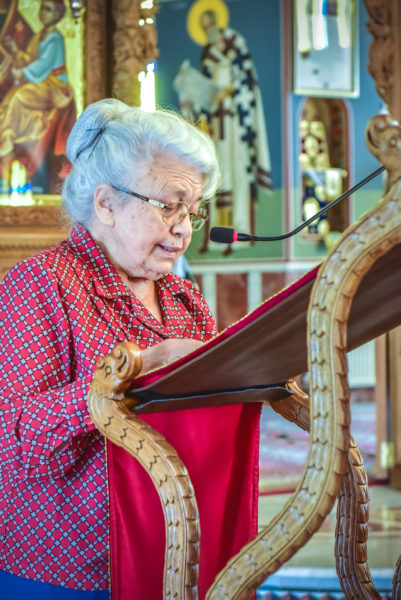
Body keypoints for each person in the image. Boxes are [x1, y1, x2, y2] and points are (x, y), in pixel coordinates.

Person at [0, 99, 262, 599]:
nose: (184, 227)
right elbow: (17, 441)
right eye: (169, 205)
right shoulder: (42, 284)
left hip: (175, 555)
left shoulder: (184, 299)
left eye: (193, 210)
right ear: (106, 204)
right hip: (71, 572)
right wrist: (131, 374)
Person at [175, 4, 272, 253]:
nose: (207, 29)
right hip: (218, 123)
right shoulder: (208, 52)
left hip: (236, 122)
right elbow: (205, 91)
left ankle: (240, 230)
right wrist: (190, 87)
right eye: (203, 26)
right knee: (216, 175)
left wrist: (227, 92)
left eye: (208, 23)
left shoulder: (234, 41)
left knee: (237, 173)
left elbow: (245, 76)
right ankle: (216, 237)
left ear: (216, 21)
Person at [0, 0, 76, 189]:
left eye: (48, 10)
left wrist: (23, 71)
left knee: (18, 97)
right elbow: (32, 60)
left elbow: (42, 66)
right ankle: (7, 137)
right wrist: (16, 52)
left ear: (58, 15)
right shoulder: (39, 35)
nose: (43, 13)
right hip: (42, 81)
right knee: (10, 99)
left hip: (55, 86)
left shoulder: (55, 38)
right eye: (42, 8)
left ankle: (8, 139)